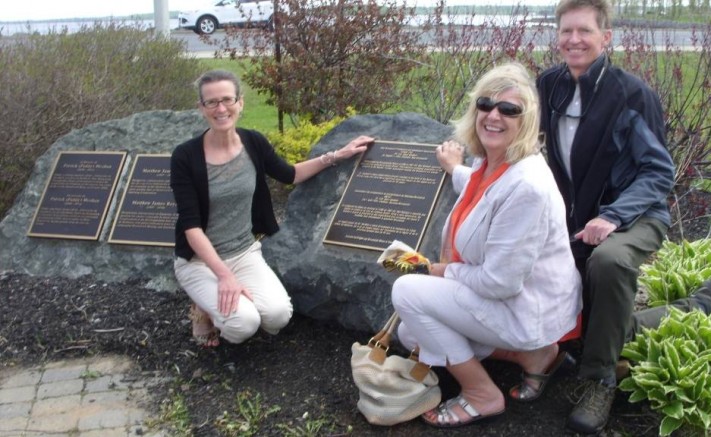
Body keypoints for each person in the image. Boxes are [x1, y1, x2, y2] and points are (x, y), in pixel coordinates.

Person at [391, 63, 582, 428]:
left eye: (509, 109)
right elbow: (484, 194)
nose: (494, 115)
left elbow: (499, 284)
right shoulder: (491, 161)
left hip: (521, 307)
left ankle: (482, 393)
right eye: (485, 104)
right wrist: (454, 168)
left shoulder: (529, 186)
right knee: (411, 333)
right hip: (508, 303)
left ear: (526, 120)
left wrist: (439, 271)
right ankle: (534, 357)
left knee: (408, 291)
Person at [536, 0, 676, 433]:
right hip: (580, 218)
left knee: (609, 262)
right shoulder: (549, 86)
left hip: (637, 213)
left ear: (606, 38)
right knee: (591, 316)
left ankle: (599, 381)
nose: (574, 40)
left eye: (585, 31)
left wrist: (613, 216)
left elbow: (658, 173)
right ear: (557, 37)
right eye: (566, 31)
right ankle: (701, 305)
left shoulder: (632, 94)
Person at [170, 69, 372, 347]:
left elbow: (290, 174)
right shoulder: (185, 156)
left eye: (227, 99)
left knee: (277, 315)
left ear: (240, 103)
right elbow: (191, 228)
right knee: (244, 324)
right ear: (201, 108)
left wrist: (338, 155)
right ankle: (202, 309)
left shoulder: (253, 142)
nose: (221, 108)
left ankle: (224, 302)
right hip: (200, 261)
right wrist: (225, 277)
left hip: (243, 253)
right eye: (212, 102)